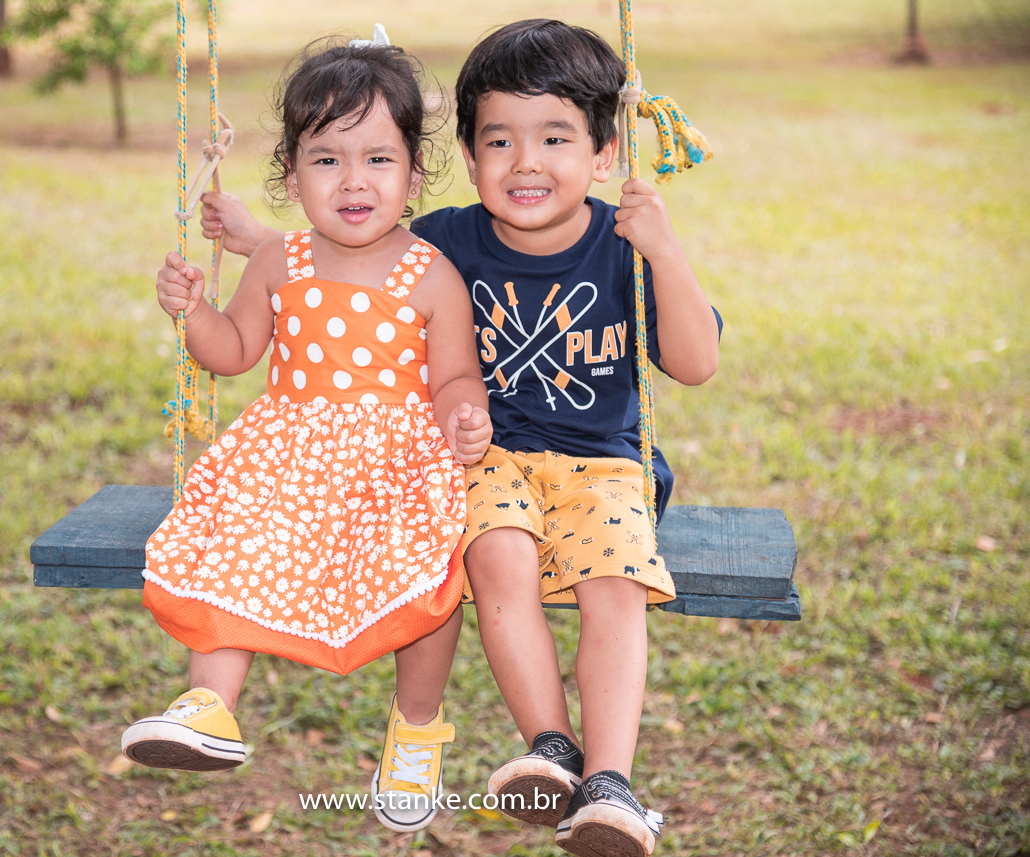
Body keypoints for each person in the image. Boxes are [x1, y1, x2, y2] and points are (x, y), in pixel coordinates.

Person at [199, 19, 721, 856]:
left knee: (614, 581)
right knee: (496, 554)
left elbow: (695, 363)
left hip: (604, 466)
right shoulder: (447, 239)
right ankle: (551, 745)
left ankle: (612, 779)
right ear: (469, 153)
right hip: (489, 458)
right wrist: (256, 242)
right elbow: (347, 266)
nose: (525, 162)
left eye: (555, 137)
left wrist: (664, 250)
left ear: (603, 152)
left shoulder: (622, 248)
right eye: (499, 139)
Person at [120, 36, 493, 835]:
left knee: (429, 577)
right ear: (292, 177)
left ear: (413, 175)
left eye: (378, 159)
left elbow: (453, 375)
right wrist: (192, 314)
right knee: (234, 542)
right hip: (285, 458)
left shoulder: (431, 273)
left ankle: (416, 730)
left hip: (396, 461)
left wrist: (466, 413)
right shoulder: (278, 262)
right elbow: (234, 352)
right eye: (327, 160)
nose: (353, 180)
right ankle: (209, 706)